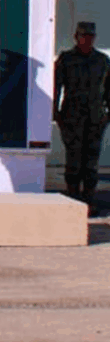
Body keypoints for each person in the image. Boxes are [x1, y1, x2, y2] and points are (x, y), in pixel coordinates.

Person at [53, 21, 110, 216]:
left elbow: (108, 89)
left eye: (90, 36)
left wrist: (107, 115)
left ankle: (89, 201)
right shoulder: (66, 59)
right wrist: (56, 113)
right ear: (76, 37)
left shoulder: (102, 60)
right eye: (83, 35)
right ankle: (72, 200)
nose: (87, 39)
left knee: (91, 160)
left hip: (95, 116)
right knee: (74, 159)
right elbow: (56, 86)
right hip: (72, 115)